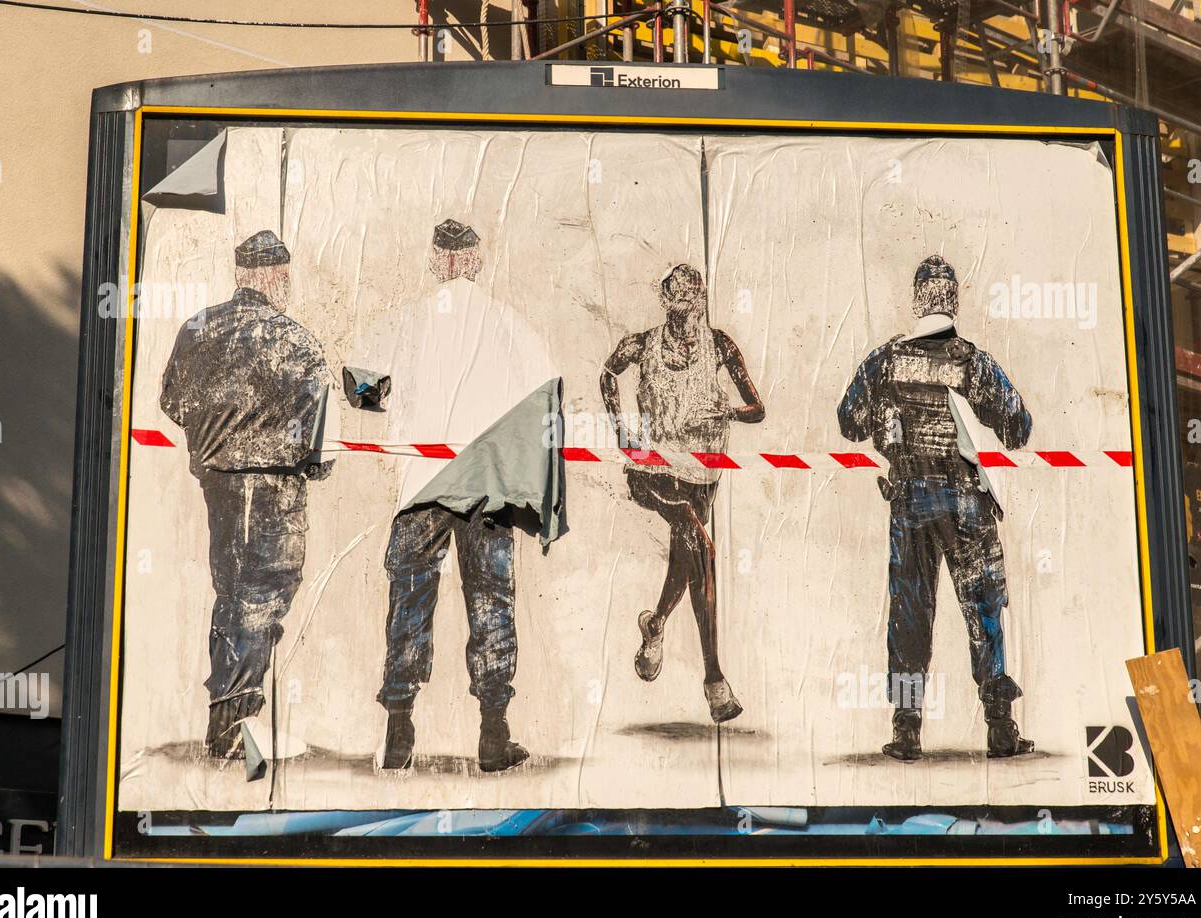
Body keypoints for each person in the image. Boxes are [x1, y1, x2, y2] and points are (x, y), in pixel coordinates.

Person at [355, 219, 562, 773]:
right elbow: (547, 390)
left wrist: (394, 407)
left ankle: (399, 732)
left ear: (435, 261)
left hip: (421, 484)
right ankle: (494, 737)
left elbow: (360, 385)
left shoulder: (406, 320)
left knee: (410, 599)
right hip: (485, 486)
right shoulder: (506, 323)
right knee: (491, 600)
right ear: (474, 262)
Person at [837, 254, 1034, 762]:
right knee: (983, 609)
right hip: (966, 502)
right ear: (953, 301)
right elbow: (1017, 426)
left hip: (909, 504)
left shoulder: (884, 361)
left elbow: (849, 420)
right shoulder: (970, 360)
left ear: (917, 299)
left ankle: (906, 732)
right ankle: (1000, 729)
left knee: (908, 616)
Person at [160, 229, 332, 759]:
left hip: (219, 481)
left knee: (231, 594)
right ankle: (238, 729)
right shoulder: (297, 340)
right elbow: (320, 430)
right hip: (276, 485)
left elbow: (172, 401)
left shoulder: (197, 328)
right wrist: (305, 461)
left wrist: (216, 438)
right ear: (277, 277)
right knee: (263, 598)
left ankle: (224, 722)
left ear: (240, 275)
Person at [599, 264, 765, 724]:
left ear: (702, 303)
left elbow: (757, 408)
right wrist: (620, 429)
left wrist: (726, 408)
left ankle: (655, 624)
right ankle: (715, 680)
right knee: (700, 548)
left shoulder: (721, 345)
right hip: (652, 470)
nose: (685, 318)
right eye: (676, 307)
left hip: (702, 474)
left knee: (687, 556)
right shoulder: (643, 343)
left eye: (692, 307)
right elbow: (607, 373)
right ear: (666, 304)